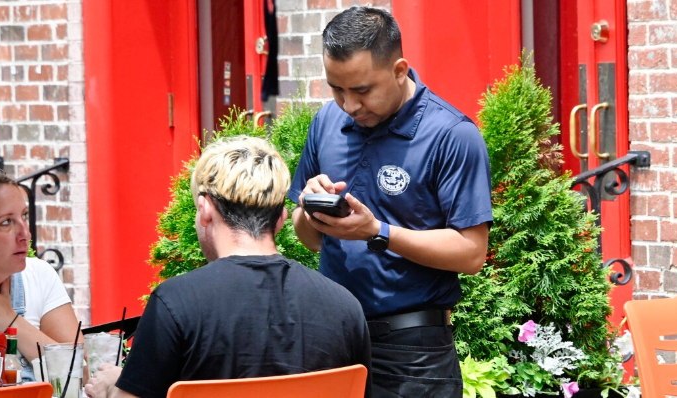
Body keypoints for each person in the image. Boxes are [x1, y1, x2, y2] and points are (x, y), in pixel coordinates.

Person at [288, 6, 493, 397]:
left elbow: (471, 254)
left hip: (413, 353)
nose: (349, 105)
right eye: (336, 89)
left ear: (400, 70)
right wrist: (311, 208)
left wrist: (377, 232)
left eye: (362, 90)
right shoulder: (325, 123)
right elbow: (312, 240)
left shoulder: (451, 135)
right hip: (334, 340)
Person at [85, 136, 371, 398]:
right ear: (282, 218)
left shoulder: (175, 303)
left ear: (205, 209)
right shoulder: (345, 307)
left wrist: (114, 386)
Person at [0, 165, 82, 382]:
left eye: (24, 216)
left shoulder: (39, 276)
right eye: (6, 222)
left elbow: (80, 373)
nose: (25, 233)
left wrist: (10, 321)